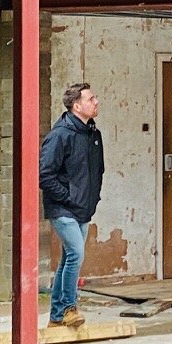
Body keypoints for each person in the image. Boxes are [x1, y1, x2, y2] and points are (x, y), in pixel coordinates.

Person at [39, 81, 104, 328]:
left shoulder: (93, 135)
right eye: (91, 99)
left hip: (83, 208)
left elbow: (98, 171)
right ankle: (69, 308)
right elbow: (45, 175)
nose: (96, 102)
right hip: (63, 208)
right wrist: (68, 197)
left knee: (68, 258)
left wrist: (91, 199)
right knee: (76, 253)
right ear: (77, 106)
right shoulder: (60, 135)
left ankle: (56, 316)